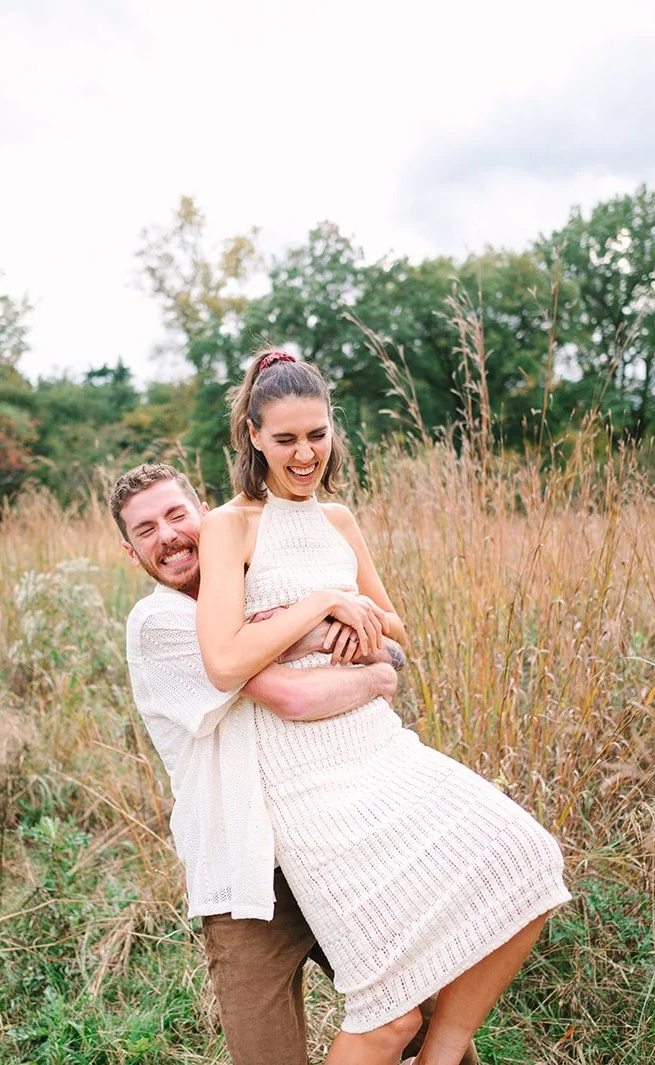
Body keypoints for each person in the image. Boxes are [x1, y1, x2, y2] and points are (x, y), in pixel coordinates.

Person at [194, 350, 571, 1065]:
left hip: (378, 746)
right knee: (388, 1010)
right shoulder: (230, 526)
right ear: (252, 435)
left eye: (317, 434)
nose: (305, 454)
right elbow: (224, 660)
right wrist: (321, 603)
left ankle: (442, 1054)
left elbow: (396, 628)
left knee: (529, 860)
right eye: (285, 439)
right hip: (303, 779)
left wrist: (355, 616)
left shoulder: (338, 519)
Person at [113, 463, 478, 1065]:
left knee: (421, 1024)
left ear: (206, 516)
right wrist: (370, 672)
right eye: (146, 530)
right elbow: (293, 694)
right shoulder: (159, 623)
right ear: (132, 553)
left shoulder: (265, 583)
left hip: (332, 843)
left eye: (177, 516)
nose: (168, 536)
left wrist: (338, 641)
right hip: (246, 876)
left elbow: (387, 640)